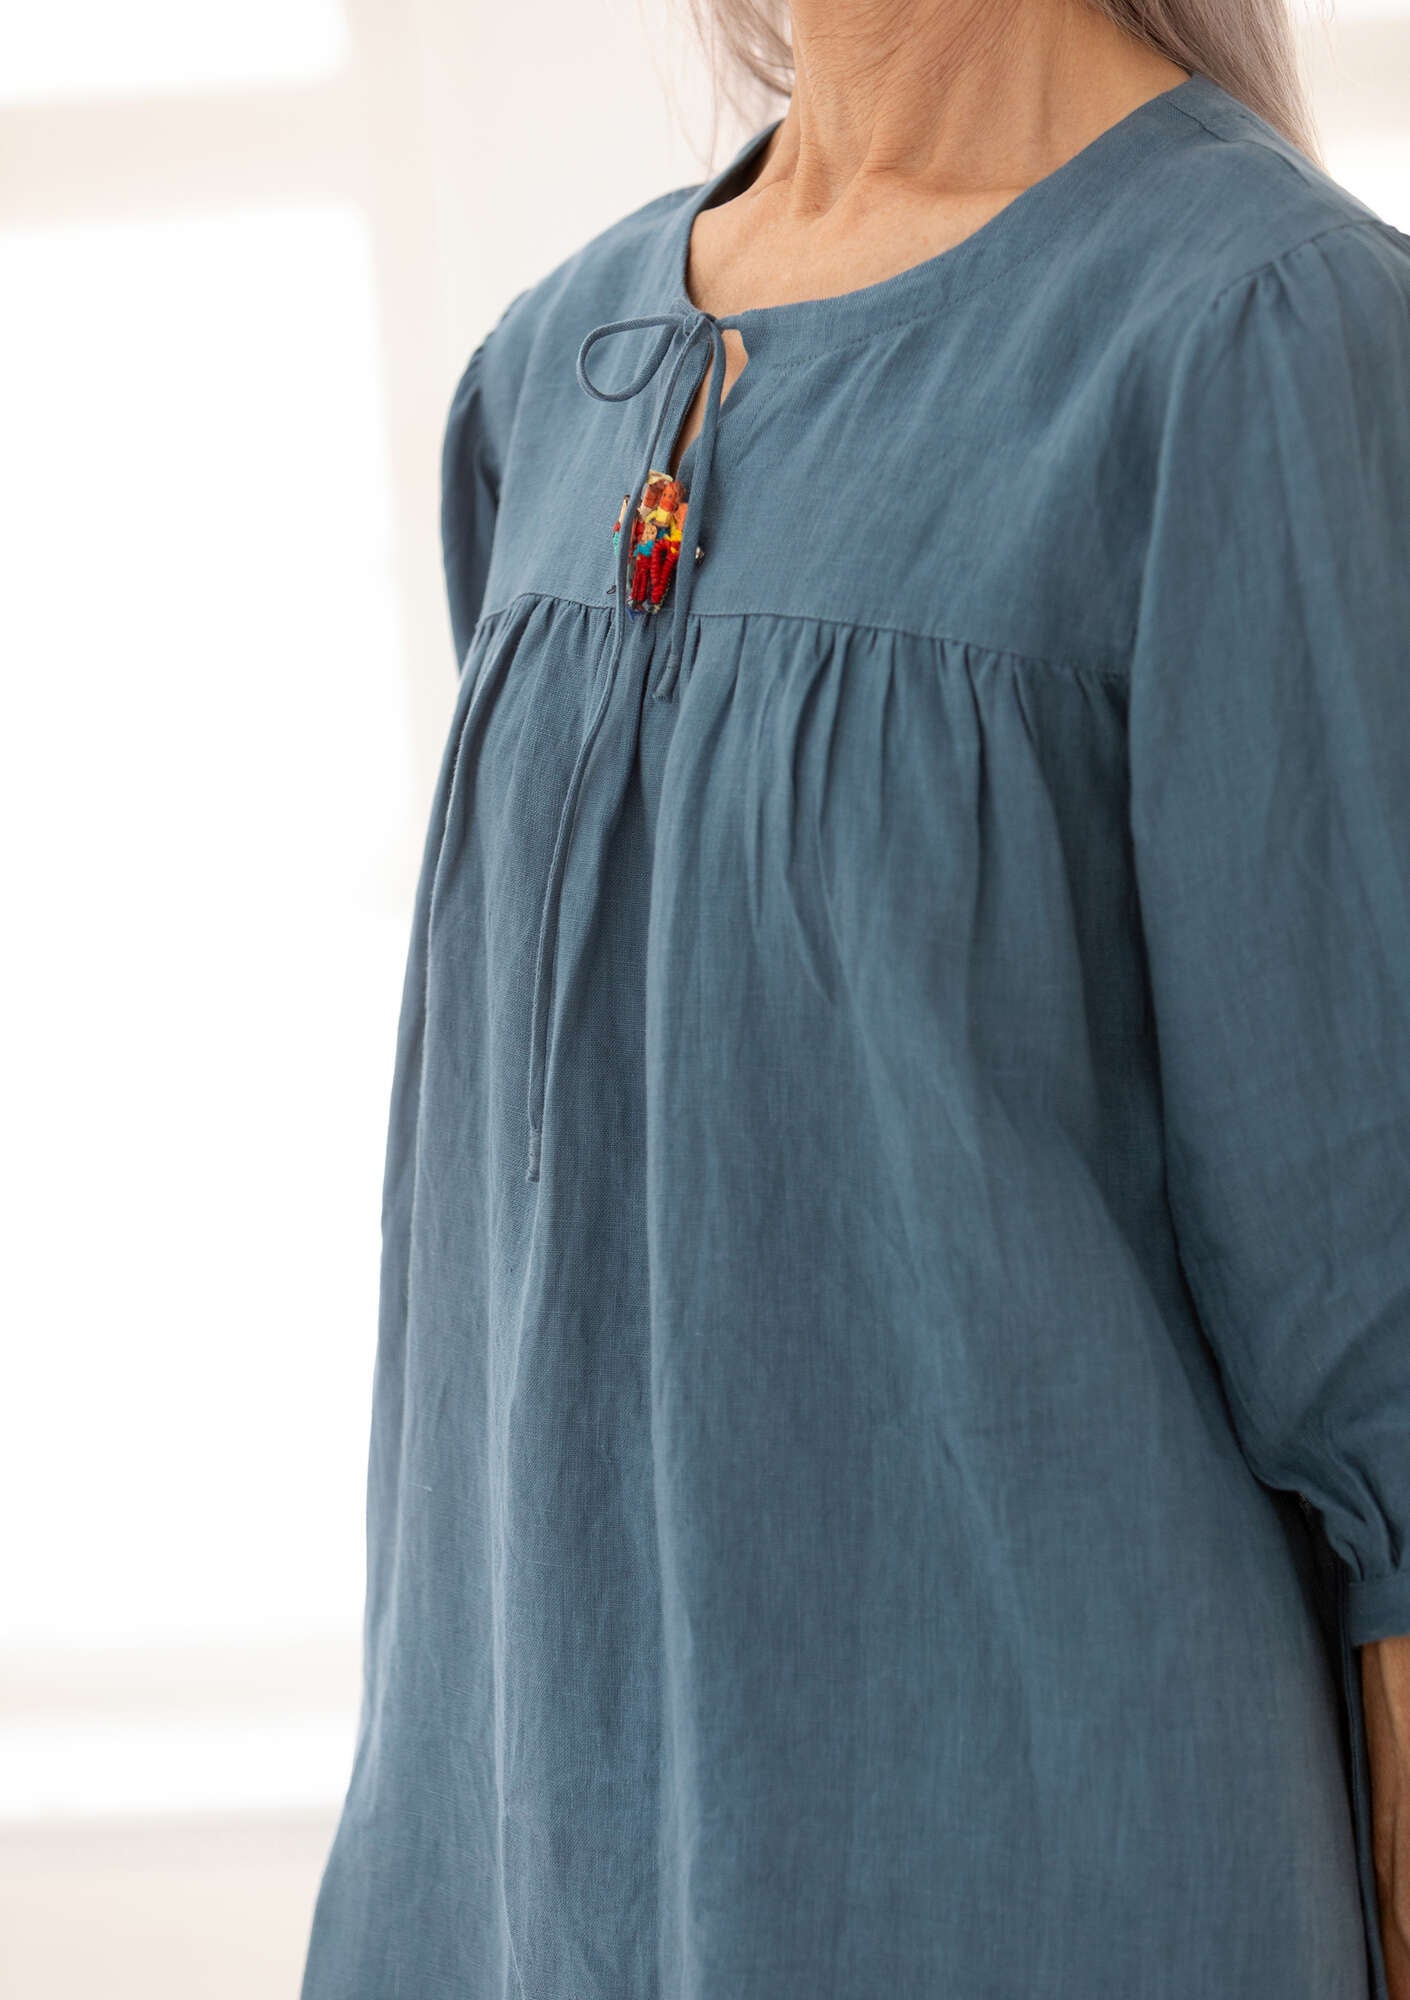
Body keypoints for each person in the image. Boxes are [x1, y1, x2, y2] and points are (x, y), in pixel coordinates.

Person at [300, 1, 1410, 1994]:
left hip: (1044, 1876)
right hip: (524, 1870)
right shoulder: (550, 375)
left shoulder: (1258, 337)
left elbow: (1376, 1299)